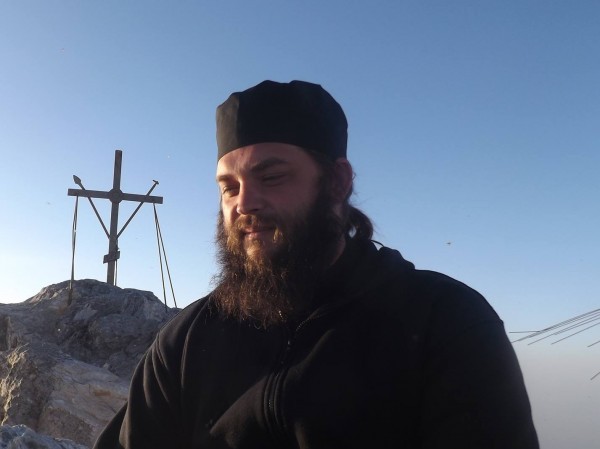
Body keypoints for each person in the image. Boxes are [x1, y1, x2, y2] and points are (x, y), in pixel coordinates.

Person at [94, 80, 539, 449]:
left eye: (272, 177)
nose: (244, 203)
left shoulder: (445, 323)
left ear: (337, 182)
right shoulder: (186, 343)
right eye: (229, 187)